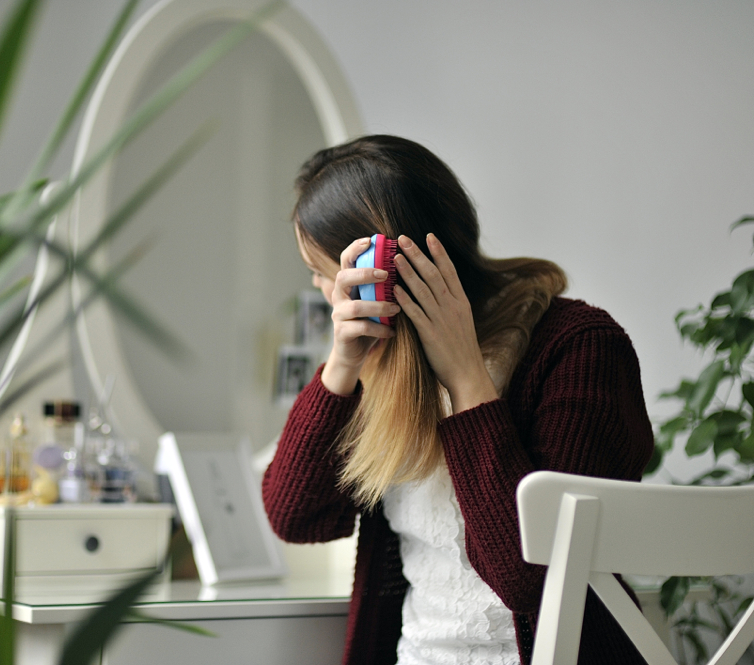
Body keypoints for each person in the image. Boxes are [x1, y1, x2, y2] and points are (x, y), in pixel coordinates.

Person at [261, 135, 653, 665]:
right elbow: (297, 517)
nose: (317, 284)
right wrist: (341, 367)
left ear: (382, 273)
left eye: (324, 270)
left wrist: (467, 379)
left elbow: (534, 580)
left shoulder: (580, 347)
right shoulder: (383, 366)